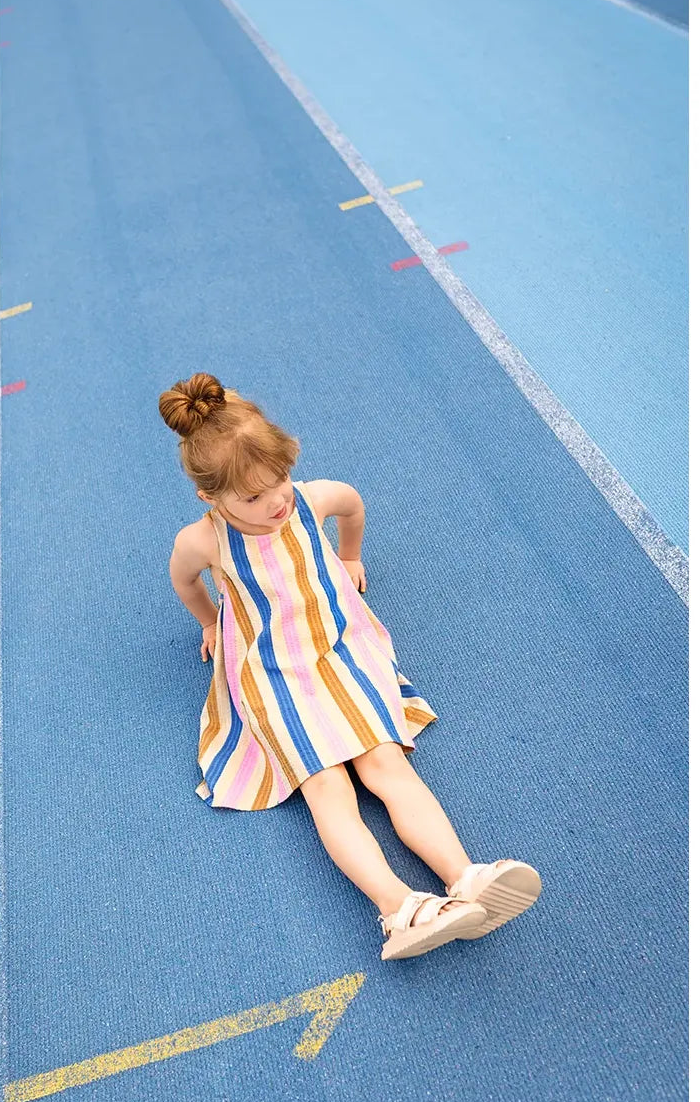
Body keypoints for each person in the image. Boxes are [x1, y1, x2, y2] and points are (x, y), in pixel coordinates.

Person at [160, 372, 540, 961]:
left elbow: (354, 506)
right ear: (211, 499)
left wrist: (350, 556)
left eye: (278, 480)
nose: (276, 502)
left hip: (338, 648)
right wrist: (211, 623)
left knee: (387, 764)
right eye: (253, 498)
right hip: (272, 673)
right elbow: (184, 581)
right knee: (328, 788)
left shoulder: (312, 499)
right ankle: (399, 908)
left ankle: (464, 877)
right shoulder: (203, 541)